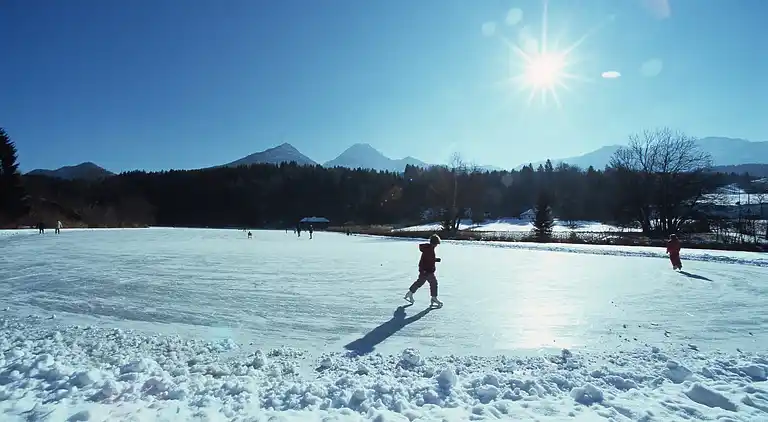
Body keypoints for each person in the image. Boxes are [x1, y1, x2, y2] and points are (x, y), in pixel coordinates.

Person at [404, 234, 443, 307]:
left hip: (425, 270)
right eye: (436, 243)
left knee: (420, 282)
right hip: (427, 270)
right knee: (433, 283)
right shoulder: (429, 249)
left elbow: (428, 259)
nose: (437, 245)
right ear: (434, 243)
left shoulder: (429, 248)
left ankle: (410, 293)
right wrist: (424, 270)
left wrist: (435, 260)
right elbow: (426, 261)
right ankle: (434, 298)